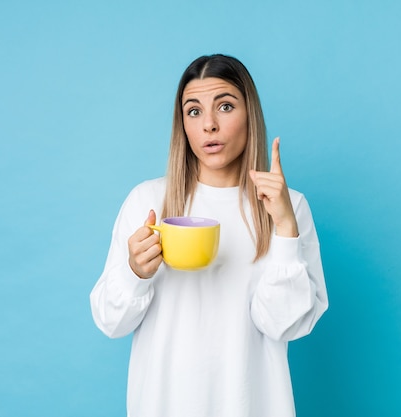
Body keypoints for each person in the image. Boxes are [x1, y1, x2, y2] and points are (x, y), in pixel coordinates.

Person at [90, 54, 328, 417]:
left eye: (226, 106)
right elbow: (110, 321)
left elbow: (285, 325)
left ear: (250, 113)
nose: (209, 126)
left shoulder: (288, 207)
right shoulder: (149, 201)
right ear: (182, 123)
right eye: (194, 111)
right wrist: (135, 272)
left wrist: (285, 231)